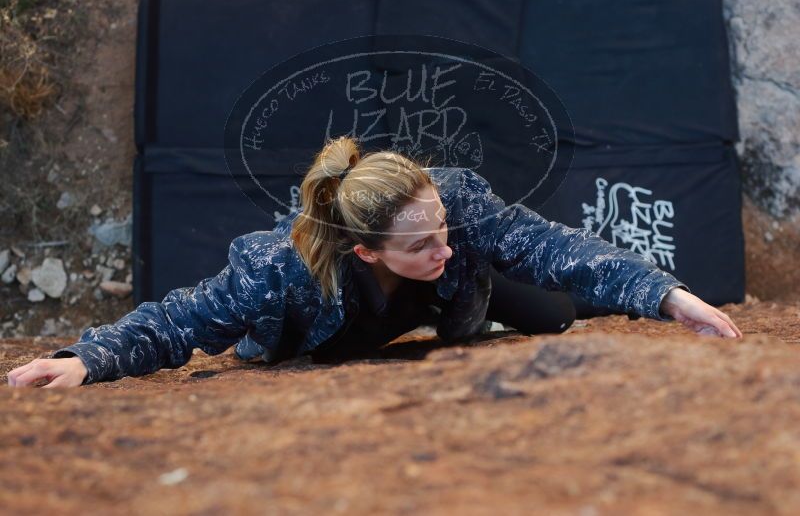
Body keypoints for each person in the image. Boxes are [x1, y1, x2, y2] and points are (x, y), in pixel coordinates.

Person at [6, 136, 742, 388]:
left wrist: (668, 297)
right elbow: (176, 320)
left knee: (553, 309)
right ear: (365, 250)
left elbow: (552, 244)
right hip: (356, 329)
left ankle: (497, 317)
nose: (441, 243)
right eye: (420, 243)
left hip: (453, 306)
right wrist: (84, 360)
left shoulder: (453, 211)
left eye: (444, 229)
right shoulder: (276, 271)